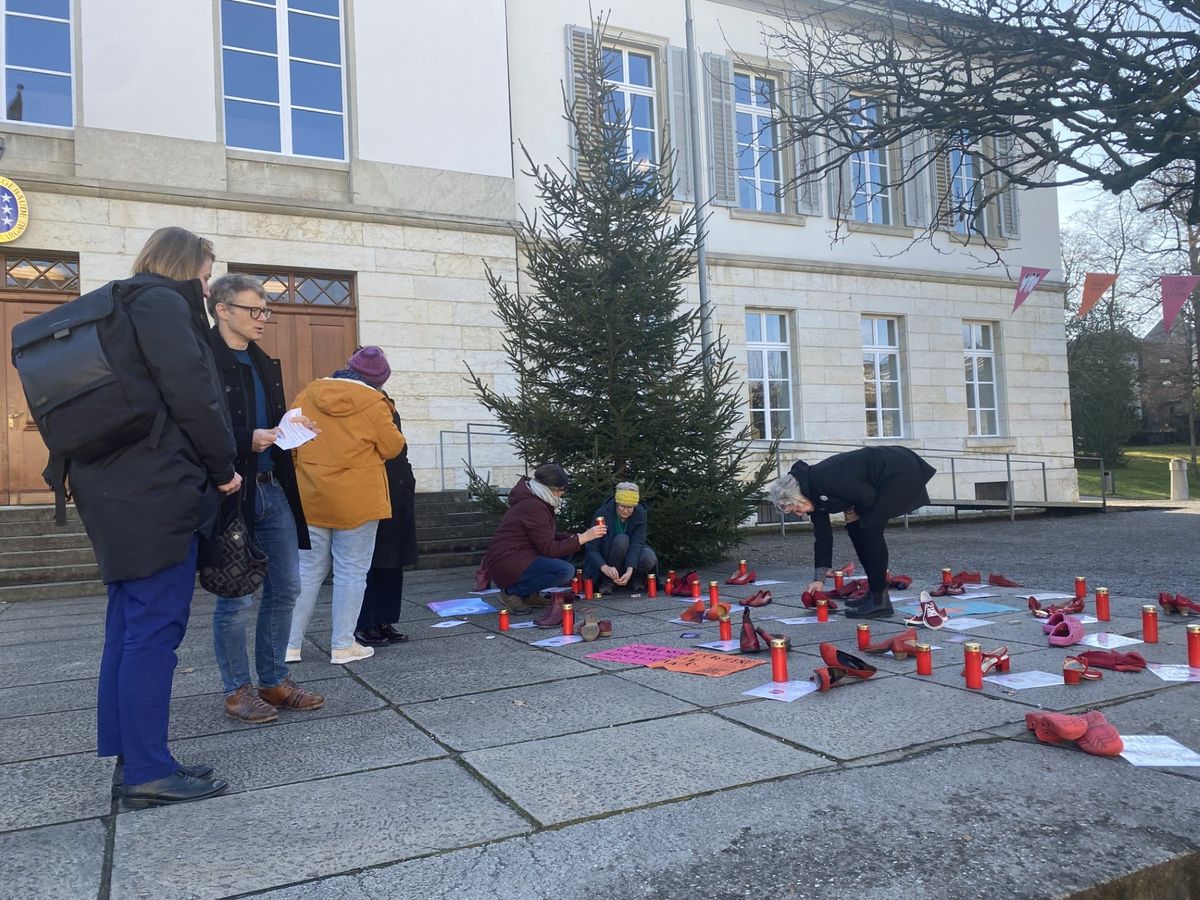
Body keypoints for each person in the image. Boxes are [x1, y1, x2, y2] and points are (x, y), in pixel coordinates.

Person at [81, 227, 240, 808]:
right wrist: (224, 466)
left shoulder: (114, 307)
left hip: (114, 490)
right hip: (157, 494)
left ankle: (136, 756)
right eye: (205, 273)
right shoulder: (162, 304)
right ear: (185, 267)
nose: (206, 286)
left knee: (127, 626)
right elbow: (192, 393)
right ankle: (147, 770)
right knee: (153, 631)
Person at [206, 274, 324, 722]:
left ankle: (273, 682)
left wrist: (291, 430)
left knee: (286, 588)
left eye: (265, 311)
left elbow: (267, 424)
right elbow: (192, 426)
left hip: (273, 488)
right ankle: (237, 691)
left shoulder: (261, 361)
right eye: (254, 310)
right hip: (230, 493)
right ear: (222, 309)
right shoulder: (203, 359)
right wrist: (243, 439)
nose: (262, 319)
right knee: (234, 596)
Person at [287, 346, 405, 664]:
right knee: (351, 572)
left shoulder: (309, 393)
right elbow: (393, 447)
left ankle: (289, 645)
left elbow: (290, 438)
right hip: (359, 498)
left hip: (311, 494)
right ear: (379, 380)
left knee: (307, 571)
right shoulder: (375, 403)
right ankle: (342, 645)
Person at [767, 446, 937, 619]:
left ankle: (880, 601)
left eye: (796, 508)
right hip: (878, 478)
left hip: (897, 469)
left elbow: (867, 496)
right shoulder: (810, 492)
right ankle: (874, 592)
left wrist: (854, 512)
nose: (798, 513)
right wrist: (819, 579)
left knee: (870, 529)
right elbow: (823, 536)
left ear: (799, 496)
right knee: (856, 529)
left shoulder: (823, 479)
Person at [479, 464, 607, 614]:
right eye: (560, 490)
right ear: (549, 488)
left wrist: (575, 537)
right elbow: (548, 548)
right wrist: (583, 538)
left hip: (518, 555)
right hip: (507, 561)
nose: (562, 494)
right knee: (565, 571)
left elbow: (545, 535)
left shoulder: (537, 500)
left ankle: (529, 595)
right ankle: (512, 592)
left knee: (567, 551)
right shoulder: (533, 506)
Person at [354, 386, 419, 647]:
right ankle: (364, 623)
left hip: (397, 488)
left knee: (392, 560)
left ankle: (384, 619)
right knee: (368, 561)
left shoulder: (386, 403)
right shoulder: (357, 405)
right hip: (369, 488)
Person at [584, 481, 657, 592]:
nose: (626, 511)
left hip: (631, 556)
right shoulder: (602, 514)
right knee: (622, 539)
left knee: (649, 558)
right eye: (623, 506)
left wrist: (630, 569)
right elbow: (592, 547)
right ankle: (608, 581)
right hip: (608, 557)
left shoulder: (640, 513)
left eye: (630, 507)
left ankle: (633, 577)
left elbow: (637, 543)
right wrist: (604, 567)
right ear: (617, 503)